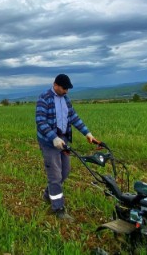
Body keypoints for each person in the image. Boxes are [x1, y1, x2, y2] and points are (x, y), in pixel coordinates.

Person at [35, 73, 97, 221]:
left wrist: (87, 133)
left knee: (65, 171)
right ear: (55, 85)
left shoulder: (65, 99)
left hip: (63, 139)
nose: (66, 91)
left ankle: (47, 195)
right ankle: (58, 209)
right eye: (64, 88)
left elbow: (73, 117)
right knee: (55, 175)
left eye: (68, 89)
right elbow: (40, 122)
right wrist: (53, 138)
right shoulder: (44, 98)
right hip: (49, 142)